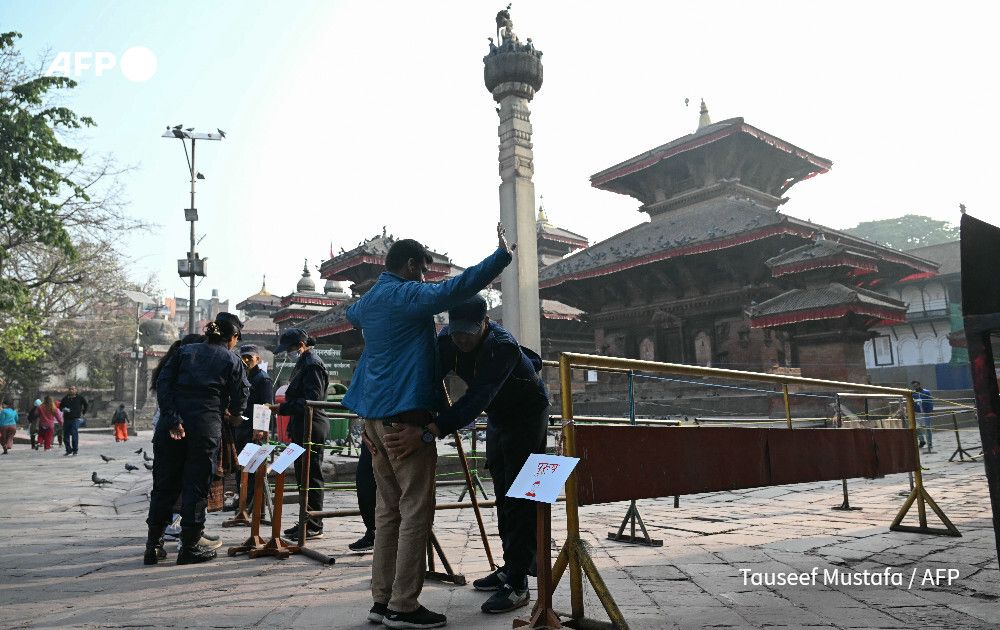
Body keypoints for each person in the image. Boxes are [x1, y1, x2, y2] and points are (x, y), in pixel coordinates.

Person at [345, 224, 513, 629]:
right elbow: (456, 289)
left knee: (388, 514)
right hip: (405, 419)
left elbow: (350, 313)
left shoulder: (367, 302)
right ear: (410, 265)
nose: (425, 278)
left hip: (372, 421)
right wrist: (501, 257)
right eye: (422, 270)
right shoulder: (407, 294)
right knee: (416, 512)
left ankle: (380, 600)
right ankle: (404, 605)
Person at [418, 295, 549, 614]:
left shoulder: (501, 345)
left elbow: (477, 397)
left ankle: (519, 583)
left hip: (529, 417)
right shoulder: (448, 339)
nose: (462, 339)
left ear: (485, 324)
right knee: (502, 494)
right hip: (499, 417)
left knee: (524, 497)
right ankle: (510, 566)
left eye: (469, 332)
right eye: (457, 331)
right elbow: (431, 374)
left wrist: (437, 427)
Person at [145, 313, 249, 566]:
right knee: (196, 485)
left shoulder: (184, 351)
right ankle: (189, 546)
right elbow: (241, 393)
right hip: (205, 426)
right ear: (232, 338)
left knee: (164, 486)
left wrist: (172, 418)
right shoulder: (231, 359)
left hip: (172, 427)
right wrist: (235, 415)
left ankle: (153, 545)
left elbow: (163, 383)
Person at [275, 328, 329, 540]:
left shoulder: (312, 364)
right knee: (301, 475)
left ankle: (314, 523)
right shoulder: (302, 363)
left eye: (289, 349)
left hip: (312, 426)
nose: (288, 353)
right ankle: (305, 518)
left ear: (300, 346)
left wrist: (283, 408)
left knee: (311, 476)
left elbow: (312, 400)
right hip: (301, 425)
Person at [237, 344, 273, 510]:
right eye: (243, 357)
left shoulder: (263, 379)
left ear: (257, 359)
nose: (246, 361)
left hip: (254, 429)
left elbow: (266, 406)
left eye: (249, 358)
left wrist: (260, 429)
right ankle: (242, 500)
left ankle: (251, 504)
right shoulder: (243, 376)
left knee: (252, 468)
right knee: (241, 467)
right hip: (242, 426)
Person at [59, 385, 88, 456]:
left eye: (73, 389)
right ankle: (68, 450)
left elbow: (86, 404)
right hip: (66, 419)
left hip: (75, 419)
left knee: (74, 434)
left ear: (76, 390)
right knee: (66, 435)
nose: (71, 390)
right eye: (70, 389)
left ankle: (75, 450)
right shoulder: (65, 398)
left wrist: (83, 412)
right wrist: (63, 409)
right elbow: (60, 406)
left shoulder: (79, 398)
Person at [912, 380, 934, 450]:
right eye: (914, 386)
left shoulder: (926, 392)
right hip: (917, 413)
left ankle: (929, 443)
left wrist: (930, 411)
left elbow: (930, 402)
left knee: (927, 428)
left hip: (926, 413)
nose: (915, 387)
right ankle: (922, 441)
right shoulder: (913, 393)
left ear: (919, 385)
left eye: (916, 386)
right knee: (918, 428)